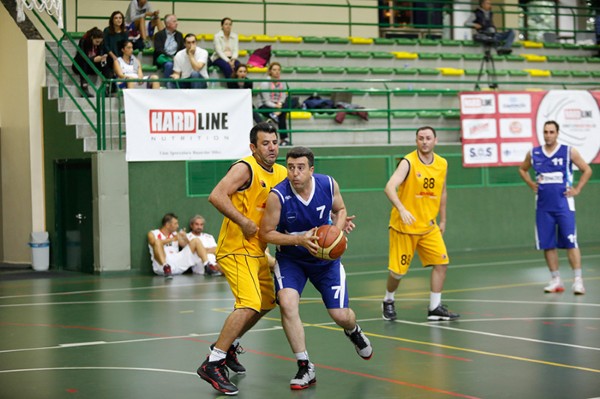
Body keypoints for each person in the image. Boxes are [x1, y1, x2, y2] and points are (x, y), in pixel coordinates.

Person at [259, 146, 373, 390]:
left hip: (325, 262)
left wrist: (337, 232)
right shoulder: (277, 196)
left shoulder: (328, 185)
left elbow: (340, 210)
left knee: (340, 315)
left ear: (311, 170)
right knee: (287, 303)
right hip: (292, 260)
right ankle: (304, 366)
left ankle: (353, 330)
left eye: (300, 167)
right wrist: (299, 240)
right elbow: (266, 233)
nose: (294, 172)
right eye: (290, 167)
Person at [196, 122, 287, 396]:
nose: (272, 147)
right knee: (248, 303)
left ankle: (230, 346)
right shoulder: (245, 168)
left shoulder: (281, 172)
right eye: (265, 143)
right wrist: (243, 220)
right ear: (253, 147)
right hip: (235, 248)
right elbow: (216, 196)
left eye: (274, 142)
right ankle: (212, 363)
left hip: (258, 250)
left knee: (268, 302)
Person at [382, 126, 459, 322]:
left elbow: (442, 192)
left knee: (441, 263)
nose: (424, 141)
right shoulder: (408, 162)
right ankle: (388, 299)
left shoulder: (442, 164)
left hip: (428, 226)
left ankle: (434, 307)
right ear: (416, 141)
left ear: (436, 140)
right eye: (420, 138)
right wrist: (401, 208)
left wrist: (443, 219)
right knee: (397, 273)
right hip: (404, 226)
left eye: (428, 138)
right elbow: (389, 187)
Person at [518, 121, 592, 295]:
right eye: (545, 132)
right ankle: (555, 280)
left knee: (571, 242)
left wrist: (577, 189)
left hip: (564, 205)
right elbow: (522, 169)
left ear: (557, 133)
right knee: (547, 244)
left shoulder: (568, 151)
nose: (548, 135)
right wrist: (530, 183)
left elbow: (587, 170)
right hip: (543, 206)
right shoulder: (534, 153)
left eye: (551, 132)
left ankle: (578, 281)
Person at [147, 213, 220, 279]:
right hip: (161, 266)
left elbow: (187, 246)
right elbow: (153, 243)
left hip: (177, 263)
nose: (177, 226)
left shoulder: (176, 234)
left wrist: (185, 238)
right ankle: (166, 266)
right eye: (175, 223)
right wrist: (172, 239)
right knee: (158, 242)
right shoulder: (153, 233)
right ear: (168, 225)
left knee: (196, 240)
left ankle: (207, 266)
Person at [72, 27, 113, 98]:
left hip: (93, 66)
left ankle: (106, 89)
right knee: (83, 64)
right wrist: (93, 59)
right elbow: (80, 57)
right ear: (92, 38)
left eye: (100, 42)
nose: (98, 44)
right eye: (97, 42)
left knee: (108, 64)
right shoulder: (83, 41)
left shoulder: (100, 43)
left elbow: (101, 53)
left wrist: (103, 58)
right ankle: (84, 88)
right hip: (80, 65)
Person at [257, 62, 289, 145]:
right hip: (266, 106)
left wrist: (280, 105)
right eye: (274, 70)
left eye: (278, 70)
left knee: (293, 101)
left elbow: (283, 97)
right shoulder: (265, 83)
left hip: (278, 105)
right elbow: (266, 101)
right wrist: (276, 106)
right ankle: (283, 139)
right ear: (270, 71)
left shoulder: (283, 83)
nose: (277, 72)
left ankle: (275, 115)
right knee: (283, 112)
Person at [152, 14, 184, 82]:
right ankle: (168, 84)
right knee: (169, 65)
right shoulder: (158, 35)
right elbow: (158, 49)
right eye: (174, 21)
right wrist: (170, 57)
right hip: (163, 57)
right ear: (168, 24)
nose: (177, 23)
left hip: (176, 58)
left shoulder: (179, 35)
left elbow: (182, 49)